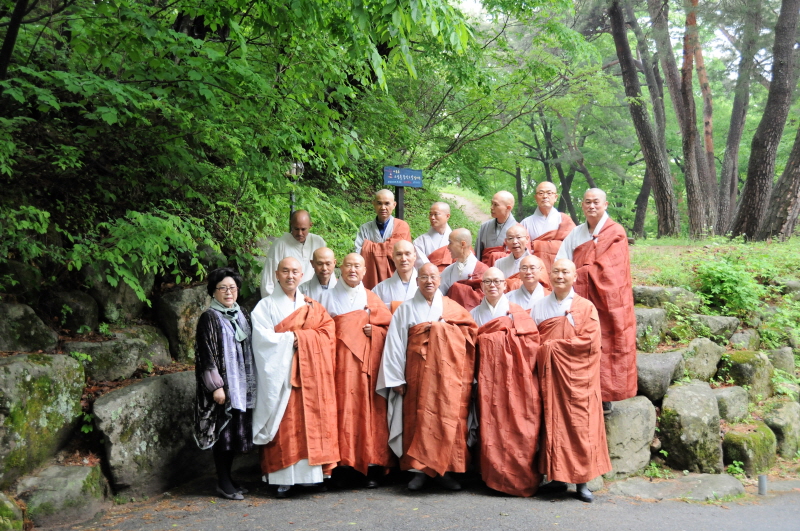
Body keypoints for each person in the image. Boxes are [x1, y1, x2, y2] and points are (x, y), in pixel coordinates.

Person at [377, 263, 478, 492]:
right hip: (417, 375)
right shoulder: (405, 309)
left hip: (448, 376)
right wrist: (396, 379)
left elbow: (470, 335)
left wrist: (445, 330)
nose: (429, 281)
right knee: (418, 420)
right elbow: (395, 344)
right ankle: (418, 471)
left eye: (433, 277)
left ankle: (445, 471)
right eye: (424, 277)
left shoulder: (452, 308)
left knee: (447, 419)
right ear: (417, 281)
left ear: (440, 280)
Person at [251, 257, 339, 498]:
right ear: (276, 274)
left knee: (310, 421)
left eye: (295, 272)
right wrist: (295, 338)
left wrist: (303, 338)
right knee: (285, 424)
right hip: (281, 377)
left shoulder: (312, 306)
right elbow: (262, 341)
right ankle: (282, 478)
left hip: (310, 375)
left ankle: (311, 477)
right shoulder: (264, 307)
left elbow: (328, 333)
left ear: (302, 275)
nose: (290, 276)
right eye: (285, 271)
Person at [531, 259, 612, 503]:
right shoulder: (539, 306)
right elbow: (533, 341)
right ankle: (557, 478)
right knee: (553, 424)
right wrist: (547, 350)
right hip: (550, 377)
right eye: (555, 271)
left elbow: (591, 344)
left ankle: (582, 483)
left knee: (580, 426)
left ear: (574, 277)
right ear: (549, 276)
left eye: (565, 272)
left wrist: (554, 346)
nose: (560, 276)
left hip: (579, 379)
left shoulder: (585, 307)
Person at [556, 188, 637, 410]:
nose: (591, 206)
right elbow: (561, 261)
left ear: (605, 204)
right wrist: (567, 277)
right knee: (582, 344)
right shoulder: (576, 233)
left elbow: (613, 270)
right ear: (582, 205)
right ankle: (579, 396)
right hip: (579, 299)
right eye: (587, 202)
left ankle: (606, 397)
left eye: (596, 202)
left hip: (609, 301)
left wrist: (578, 274)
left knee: (608, 344)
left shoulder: (616, 232)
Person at [319, 254, 394, 487]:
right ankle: (341, 468)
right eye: (349, 265)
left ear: (364, 271)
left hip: (365, 369)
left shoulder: (372, 298)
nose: (353, 270)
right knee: (340, 413)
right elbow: (320, 332)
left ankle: (369, 467)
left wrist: (376, 332)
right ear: (340, 268)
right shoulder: (327, 297)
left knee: (368, 413)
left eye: (357, 266)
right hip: (338, 367)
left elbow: (390, 328)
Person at [470, 268, 542, 497]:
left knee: (517, 427)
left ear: (504, 285)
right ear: (481, 286)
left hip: (515, 380)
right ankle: (491, 476)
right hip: (485, 381)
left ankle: (516, 477)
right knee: (489, 427)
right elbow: (468, 349)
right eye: (488, 281)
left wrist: (499, 340)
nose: (492, 285)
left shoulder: (518, 313)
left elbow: (532, 344)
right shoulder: (472, 314)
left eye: (497, 281)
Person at [194, 267, 256, 501]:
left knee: (235, 434)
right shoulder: (209, 317)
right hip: (223, 387)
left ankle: (229, 478)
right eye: (223, 288)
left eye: (232, 287)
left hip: (241, 386)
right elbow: (205, 355)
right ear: (213, 291)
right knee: (223, 435)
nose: (229, 292)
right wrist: (216, 387)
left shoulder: (242, 314)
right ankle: (223, 481)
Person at [354, 189, 413, 290]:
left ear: (394, 205)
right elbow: (359, 253)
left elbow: (398, 252)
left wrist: (369, 247)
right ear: (373, 204)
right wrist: (385, 249)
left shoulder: (401, 226)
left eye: (387, 203)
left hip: (395, 276)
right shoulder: (365, 228)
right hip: (370, 276)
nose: (383, 207)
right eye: (379, 203)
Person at [260, 210, 326, 298]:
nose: (300, 233)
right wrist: (270, 301)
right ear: (291, 224)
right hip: (285, 298)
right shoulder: (279, 245)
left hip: (313, 297)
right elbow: (268, 279)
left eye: (303, 229)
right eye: (296, 229)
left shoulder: (318, 242)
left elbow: (327, 271)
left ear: (310, 225)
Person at [520, 182, 576, 273]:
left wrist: (537, 245)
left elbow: (572, 245)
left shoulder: (564, 219)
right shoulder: (525, 223)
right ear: (536, 197)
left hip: (559, 269)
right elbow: (521, 249)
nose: (545, 196)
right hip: (534, 270)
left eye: (549, 193)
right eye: (541, 193)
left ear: (555, 197)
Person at [440, 228, 489, 311]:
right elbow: (439, 294)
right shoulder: (448, 270)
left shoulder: (483, 270)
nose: (448, 247)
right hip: (451, 314)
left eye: (450, 243)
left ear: (463, 244)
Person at [371, 240, 418, 312]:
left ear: (414, 256)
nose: (403, 259)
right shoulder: (380, 289)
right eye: (399, 254)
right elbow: (371, 311)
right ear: (393, 257)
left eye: (407, 254)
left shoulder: (427, 285)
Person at [475, 191, 516, 266]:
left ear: (508, 208)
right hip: (485, 270)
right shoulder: (484, 227)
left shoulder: (518, 229)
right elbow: (477, 255)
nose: (491, 207)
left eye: (495, 205)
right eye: (492, 203)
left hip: (506, 270)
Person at [413, 202, 453, 270]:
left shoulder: (457, 239)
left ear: (447, 216)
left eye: (436, 214)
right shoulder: (420, 241)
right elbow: (421, 265)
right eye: (430, 214)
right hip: (429, 275)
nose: (432, 217)